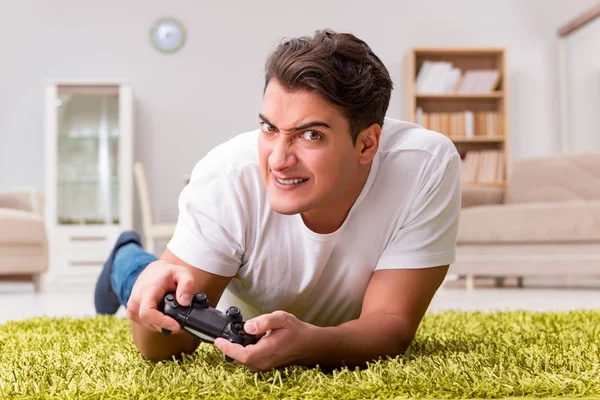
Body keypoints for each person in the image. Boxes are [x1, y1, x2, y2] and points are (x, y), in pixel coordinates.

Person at [94, 28, 461, 372]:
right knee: (152, 284)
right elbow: (163, 350)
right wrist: (152, 297)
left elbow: (391, 324)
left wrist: (312, 343)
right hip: (198, 273)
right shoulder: (228, 178)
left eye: (310, 135)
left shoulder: (424, 166)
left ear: (366, 144)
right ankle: (124, 259)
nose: (278, 160)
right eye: (269, 128)